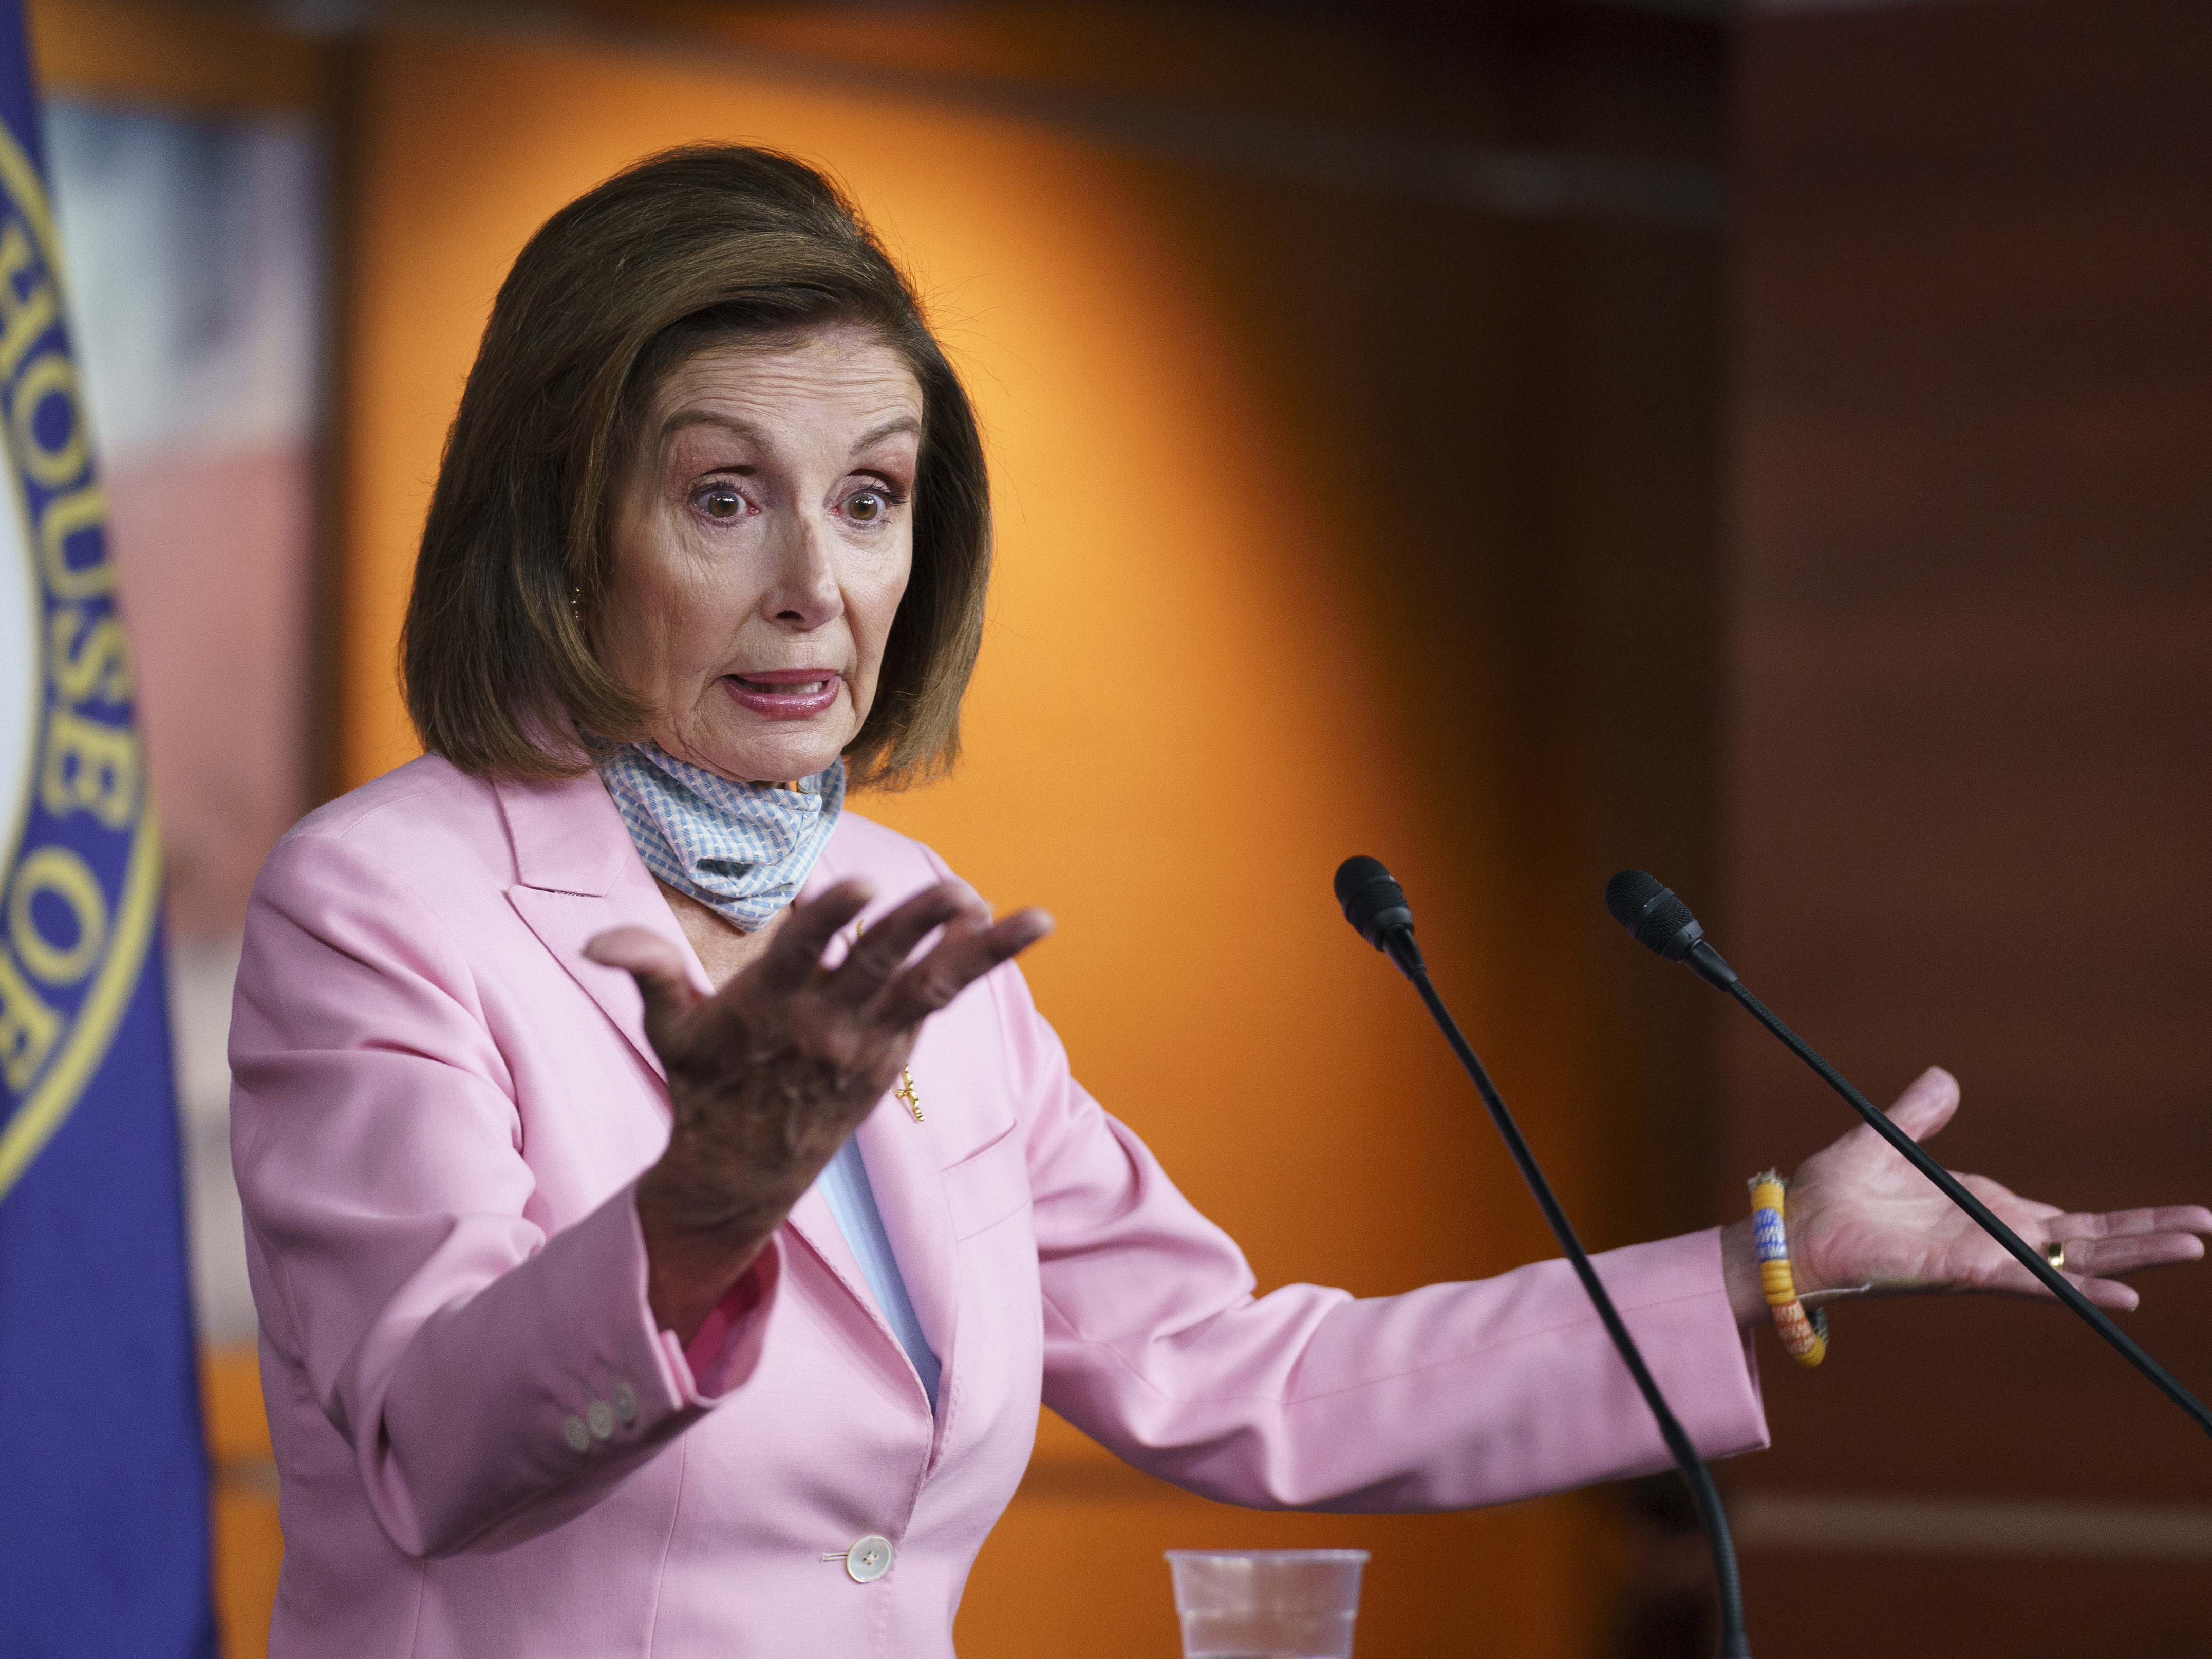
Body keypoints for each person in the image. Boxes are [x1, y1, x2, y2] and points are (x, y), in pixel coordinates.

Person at [229, 145, 2210, 1658]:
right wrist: (695, 1215)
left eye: (873, 495)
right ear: (559, 524)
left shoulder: (909, 912)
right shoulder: (383, 907)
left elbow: (1236, 1373)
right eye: (723, 496)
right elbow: (433, 1449)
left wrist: (1771, 1262)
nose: (816, 587)